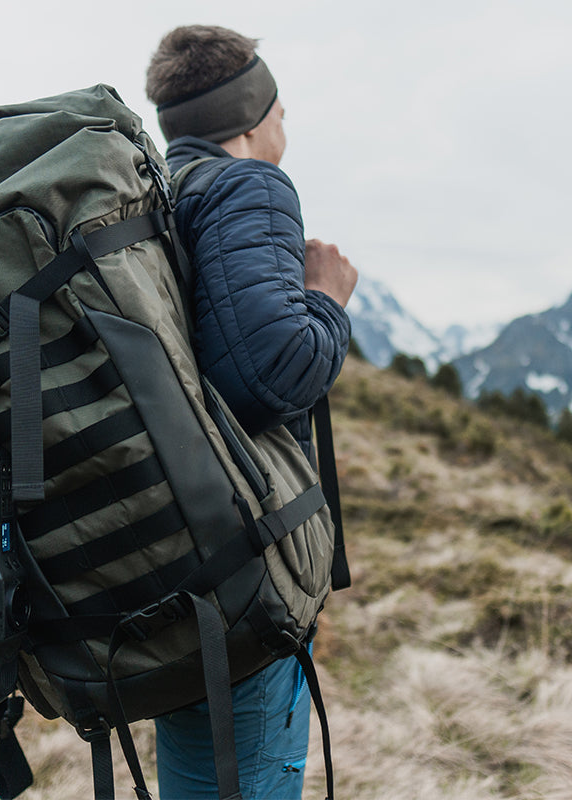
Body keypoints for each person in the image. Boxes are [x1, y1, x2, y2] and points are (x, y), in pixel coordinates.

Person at [145, 25, 358, 799]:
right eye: (280, 108)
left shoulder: (159, 199)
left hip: (180, 564)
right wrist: (327, 299)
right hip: (242, 572)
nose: (284, 127)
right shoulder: (248, 188)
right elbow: (274, 371)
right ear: (248, 115)